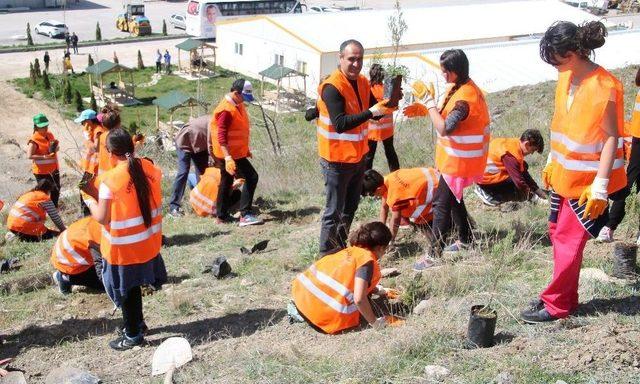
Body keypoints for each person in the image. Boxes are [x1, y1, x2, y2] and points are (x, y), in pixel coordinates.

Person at [520, 21, 626, 323]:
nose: (553, 64)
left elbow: (610, 138)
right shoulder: (567, 77)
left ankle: (557, 305)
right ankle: (563, 296)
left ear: (574, 52)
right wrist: (553, 159)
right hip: (565, 178)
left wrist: (601, 187)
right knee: (558, 234)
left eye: (557, 57)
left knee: (568, 240)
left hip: (589, 183)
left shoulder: (604, 86)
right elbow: (562, 124)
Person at [403, 49, 490, 262]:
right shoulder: (460, 87)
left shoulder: (465, 99)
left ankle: (434, 254)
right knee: (453, 200)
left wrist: (429, 103)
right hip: (455, 158)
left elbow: (444, 128)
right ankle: (466, 238)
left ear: (455, 70)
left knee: (441, 204)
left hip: (459, 161)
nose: (443, 76)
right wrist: (427, 110)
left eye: (445, 72)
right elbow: (445, 116)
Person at [84, 128, 167, 350]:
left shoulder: (110, 180)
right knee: (133, 289)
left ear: (110, 153)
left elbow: (102, 217)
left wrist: (89, 201)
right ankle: (138, 324)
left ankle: (133, 335)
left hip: (122, 248)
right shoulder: (149, 168)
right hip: (148, 242)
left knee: (127, 291)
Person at [316, 39, 393, 256]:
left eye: (359, 59)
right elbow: (341, 123)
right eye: (351, 59)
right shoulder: (332, 87)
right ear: (341, 59)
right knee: (334, 211)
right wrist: (371, 112)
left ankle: (339, 249)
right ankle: (325, 256)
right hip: (336, 160)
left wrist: (389, 104)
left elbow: (372, 111)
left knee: (350, 207)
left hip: (358, 157)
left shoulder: (362, 82)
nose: (356, 64)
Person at [291, 221, 401, 334]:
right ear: (380, 248)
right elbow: (359, 299)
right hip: (322, 319)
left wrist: (378, 290)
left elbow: (346, 279)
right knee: (365, 300)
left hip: (301, 301)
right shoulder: (366, 261)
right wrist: (375, 322)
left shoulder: (348, 251)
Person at [209, 79, 263, 226]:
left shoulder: (236, 104)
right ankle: (245, 215)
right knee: (252, 177)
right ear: (235, 93)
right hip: (229, 154)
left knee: (226, 182)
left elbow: (238, 131)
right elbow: (222, 137)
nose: (243, 101)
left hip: (234, 153)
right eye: (243, 97)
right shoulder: (226, 110)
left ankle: (221, 216)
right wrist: (227, 158)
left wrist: (245, 150)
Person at [361, 168, 439, 265]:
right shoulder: (387, 179)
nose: (374, 196)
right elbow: (384, 208)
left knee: (430, 234)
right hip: (435, 175)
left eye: (372, 194)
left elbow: (395, 219)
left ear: (378, 189)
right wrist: (380, 229)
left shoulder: (395, 194)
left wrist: (390, 240)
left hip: (439, 190)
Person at [597, 67, 640, 243]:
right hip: (638, 139)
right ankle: (609, 226)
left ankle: (610, 227)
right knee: (629, 183)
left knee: (630, 182)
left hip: (637, 138)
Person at [474, 129, 547, 206]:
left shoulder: (514, 144)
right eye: (533, 150)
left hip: (483, 173)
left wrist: (537, 190)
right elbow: (519, 182)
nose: (532, 153)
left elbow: (523, 172)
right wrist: (536, 199)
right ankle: (489, 195)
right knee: (519, 191)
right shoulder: (510, 156)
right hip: (485, 181)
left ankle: (490, 191)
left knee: (523, 167)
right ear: (527, 144)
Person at [169, 115, 211, 217]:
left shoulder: (220, 123)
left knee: (203, 173)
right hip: (185, 142)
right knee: (183, 172)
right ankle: (174, 207)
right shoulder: (214, 123)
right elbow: (212, 146)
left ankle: (202, 205)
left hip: (200, 145)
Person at [51, 216, 104, 294]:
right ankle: (64, 278)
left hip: (72, 249)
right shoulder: (97, 238)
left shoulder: (101, 218)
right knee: (111, 284)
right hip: (68, 263)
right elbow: (101, 269)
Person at [365, 64, 400, 172]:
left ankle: (365, 179)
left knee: (369, 156)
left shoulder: (367, 88)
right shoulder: (388, 89)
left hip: (371, 130)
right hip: (387, 130)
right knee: (390, 152)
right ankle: (396, 174)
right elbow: (394, 107)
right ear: (382, 75)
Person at [27, 113, 61, 207]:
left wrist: (56, 148)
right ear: (36, 127)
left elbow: (54, 146)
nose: (45, 128)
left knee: (56, 189)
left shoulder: (49, 134)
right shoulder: (33, 140)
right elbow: (29, 155)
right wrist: (44, 157)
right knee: (43, 193)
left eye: (46, 126)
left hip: (54, 169)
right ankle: (43, 210)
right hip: (41, 172)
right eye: (42, 127)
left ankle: (54, 208)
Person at [75, 109, 100, 215]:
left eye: (83, 122)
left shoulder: (98, 131)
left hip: (94, 169)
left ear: (89, 121)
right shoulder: (93, 130)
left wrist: (87, 138)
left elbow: (96, 148)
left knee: (85, 190)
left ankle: (88, 215)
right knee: (83, 189)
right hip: (90, 168)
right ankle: (87, 214)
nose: (82, 124)